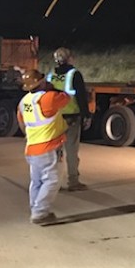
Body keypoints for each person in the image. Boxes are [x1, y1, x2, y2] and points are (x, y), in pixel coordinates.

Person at [16, 69, 72, 225]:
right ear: (41, 83)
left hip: (32, 148)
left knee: (37, 181)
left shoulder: (24, 102)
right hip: (49, 147)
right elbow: (67, 98)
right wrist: (53, 88)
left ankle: (35, 208)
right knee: (52, 180)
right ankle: (40, 213)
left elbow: (22, 123)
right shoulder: (49, 97)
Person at [47, 47, 92, 192]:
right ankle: (73, 181)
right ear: (69, 58)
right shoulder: (74, 74)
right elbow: (81, 97)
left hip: (54, 118)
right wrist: (86, 115)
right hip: (71, 117)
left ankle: (53, 182)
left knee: (55, 152)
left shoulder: (51, 75)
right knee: (71, 151)